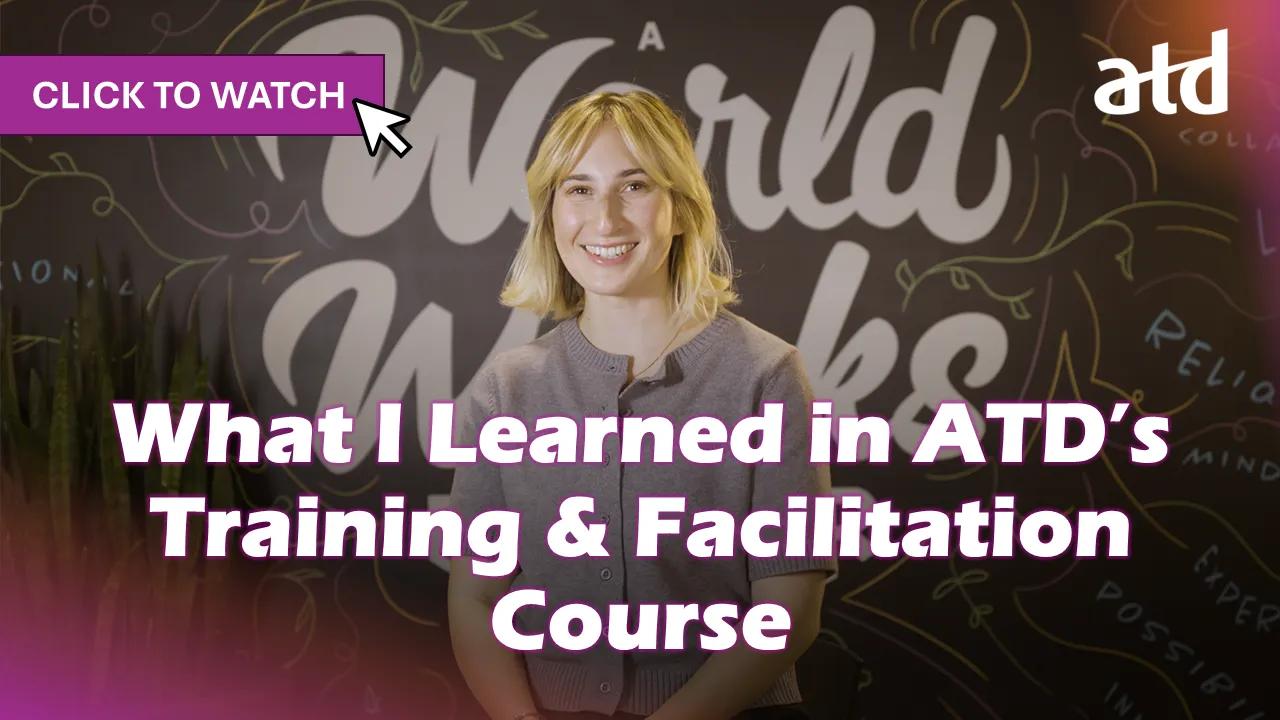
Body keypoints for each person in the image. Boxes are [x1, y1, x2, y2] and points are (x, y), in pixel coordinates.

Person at [447, 90, 836, 720]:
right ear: (550, 214)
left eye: (634, 186)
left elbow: (789, 612)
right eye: (578, 190)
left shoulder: (767, 374)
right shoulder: (506, 388)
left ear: (680, 210)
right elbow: (475, 601)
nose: (605, 220)